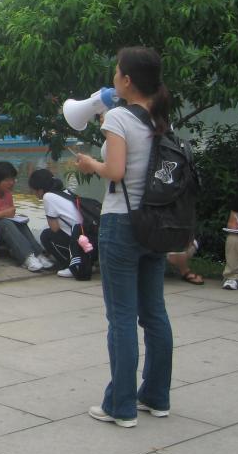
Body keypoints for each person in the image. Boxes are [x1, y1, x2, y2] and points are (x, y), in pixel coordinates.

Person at [75, 46, 175, 427]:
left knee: (121, 317)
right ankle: (156, 397)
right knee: (154, 313)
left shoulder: (119, 117)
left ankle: (121, 405)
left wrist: (90, 163)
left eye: (117, 71)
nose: (114, 77)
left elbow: (115, 171)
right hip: (154, 224)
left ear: (128, 80)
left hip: (121, 224)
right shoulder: (160, 118)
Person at [0, 161, 54, 272]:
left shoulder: (7, 193)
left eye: (13, 179)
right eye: (7, 180)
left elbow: (9, 215)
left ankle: (38, 254)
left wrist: (15, 217)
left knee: (20, 223)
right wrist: (4, 214)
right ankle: (27, 258)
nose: (11, 183)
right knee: (5, 224)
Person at [28, 168, 92, 279]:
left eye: (34, 190)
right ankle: (86, 261)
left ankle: (71, 265)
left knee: (46, 236)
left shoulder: (48, 197)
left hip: (78, 243)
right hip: (88, 240)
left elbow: (55, 228)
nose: (34, 193)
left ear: (40, 190)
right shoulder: (64, 192)